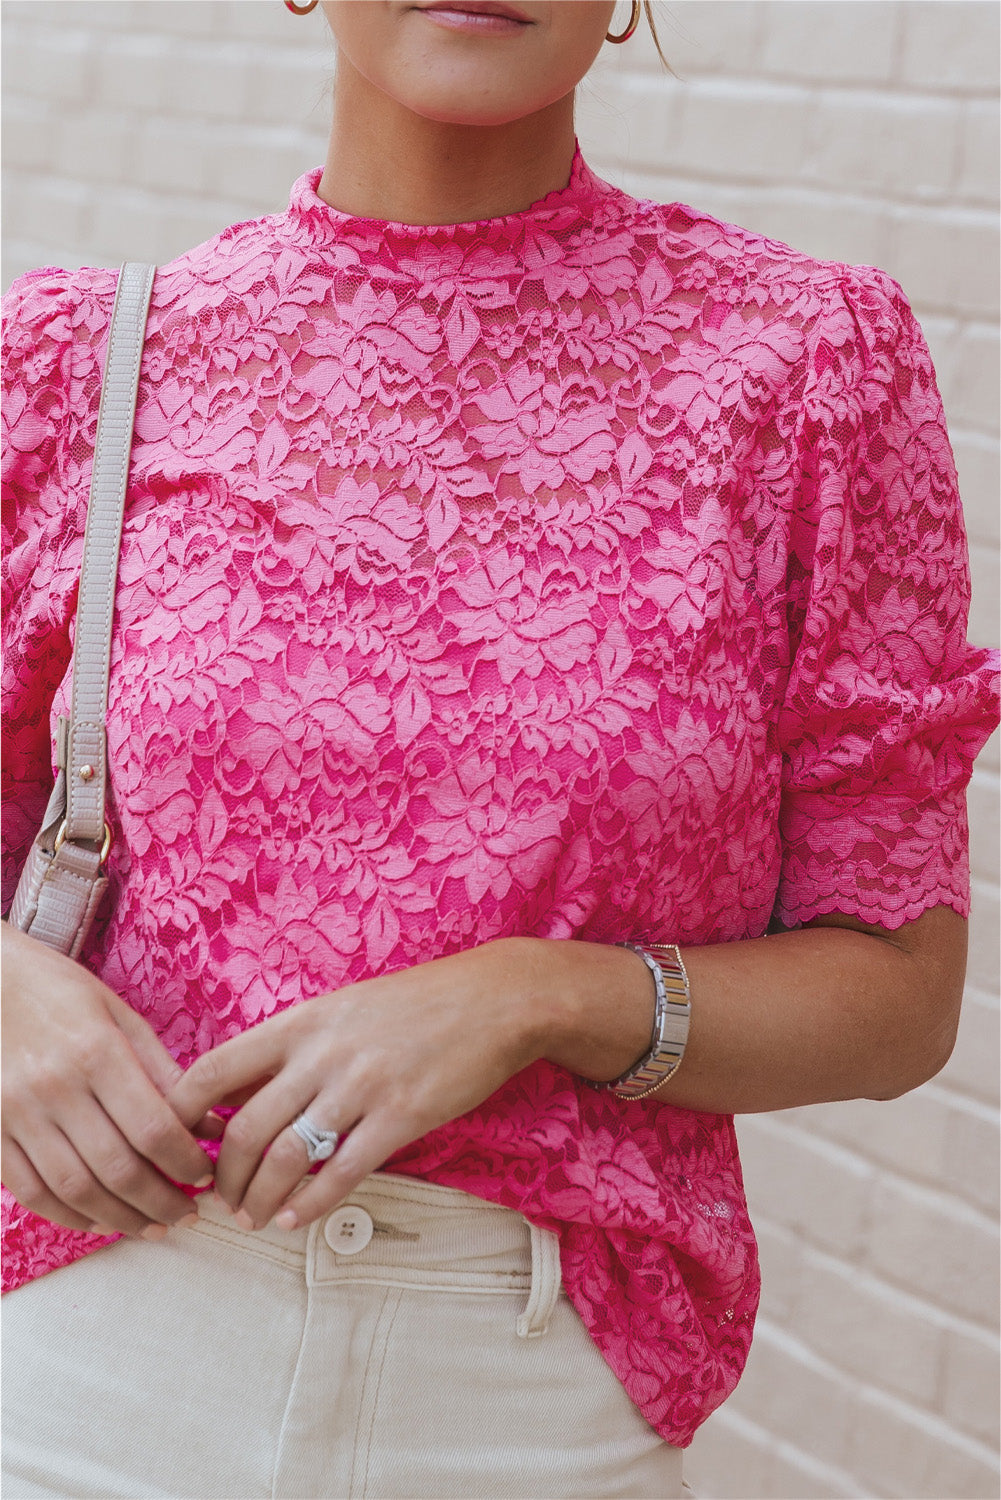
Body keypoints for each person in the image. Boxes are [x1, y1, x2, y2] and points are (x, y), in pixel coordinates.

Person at [1, 2, 998, 1497]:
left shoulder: (805, 366)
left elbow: (896, 998)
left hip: (531, 1396)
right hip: (94, 1354)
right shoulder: (76, 358)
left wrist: (540, 994)